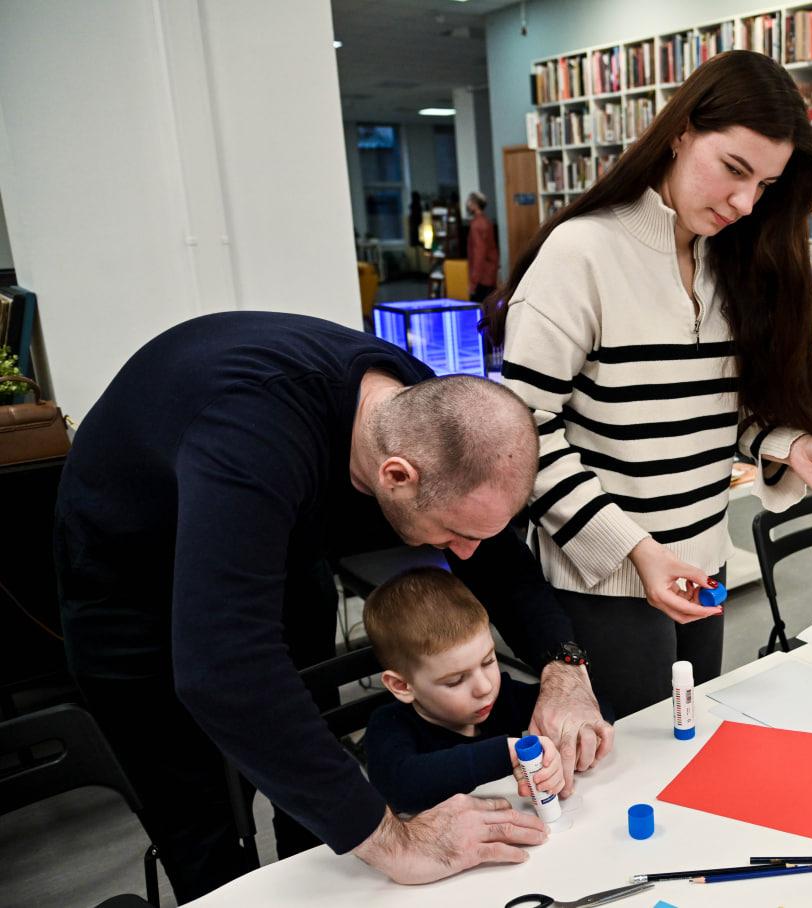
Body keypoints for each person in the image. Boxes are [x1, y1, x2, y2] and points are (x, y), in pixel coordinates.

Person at [54, 311, 612, 903]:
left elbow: (493, 553)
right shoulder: (249, 437)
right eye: (453, 534)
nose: (468, 552)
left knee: (312, 787)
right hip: (131, 591)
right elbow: (224, 670)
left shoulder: (420, 413)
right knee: (204, 825)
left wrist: (564, 665)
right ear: (395, 476)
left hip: (281, 551)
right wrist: (396, 842)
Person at [488, 50, 812, 718]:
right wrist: (634, 550)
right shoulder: (582, 254)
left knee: (685, 743)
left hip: (702, 556)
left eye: (765, 186)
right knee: (631, 767)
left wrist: (790, 446)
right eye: (734, 170)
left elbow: (717, 410)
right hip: (603, 577)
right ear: (681, 131)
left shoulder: (729, 260)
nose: (745, 203)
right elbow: (523, 433)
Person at [362, 566, 567, 816]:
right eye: (456, 680)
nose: (485, 687)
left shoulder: (504, 698)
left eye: (489, 661)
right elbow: (400, 788)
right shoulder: (389, 725)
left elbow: (589, 707)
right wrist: (506, 754)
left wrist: (557, 748)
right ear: (402, 686)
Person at [466, 191, 499, 304]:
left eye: (470, 202)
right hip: (490, 273)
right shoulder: (486, 221)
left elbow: (479, 253)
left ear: (475, 204)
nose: (468, 205)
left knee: (479, 310)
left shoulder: (476, 224)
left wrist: (473, 282)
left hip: (482, 276)